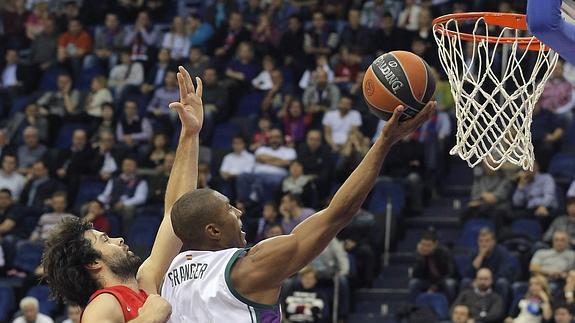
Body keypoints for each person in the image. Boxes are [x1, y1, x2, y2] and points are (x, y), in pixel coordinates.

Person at [160, 101, 436, 321]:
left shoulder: (168, 274)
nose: (239, 212)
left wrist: (189, 135)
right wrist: (385, 141)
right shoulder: (246, 268)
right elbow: (338, 214)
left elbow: (176, 210)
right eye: (229, 209)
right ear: (213, 231)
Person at [42, 66, 203, 322]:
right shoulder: (102, 305)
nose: (117, 239)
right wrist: (148, 319)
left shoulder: (145, 283)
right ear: (94, 263)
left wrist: (190, 135)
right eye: (104, 239)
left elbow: (176, 212)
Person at [409, 230, 457, 301]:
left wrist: (435, 287)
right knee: (413, 283)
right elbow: (415, 275)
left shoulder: (445, 253)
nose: (425, 248)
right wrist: (421, 258)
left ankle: (451, 308)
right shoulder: (418, 255)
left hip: (443, 281)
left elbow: (450, 273)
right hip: (427, 281)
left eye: (428, 245)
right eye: (423, 245)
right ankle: (413, 307)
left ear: (435, 244)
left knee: (450, 283)